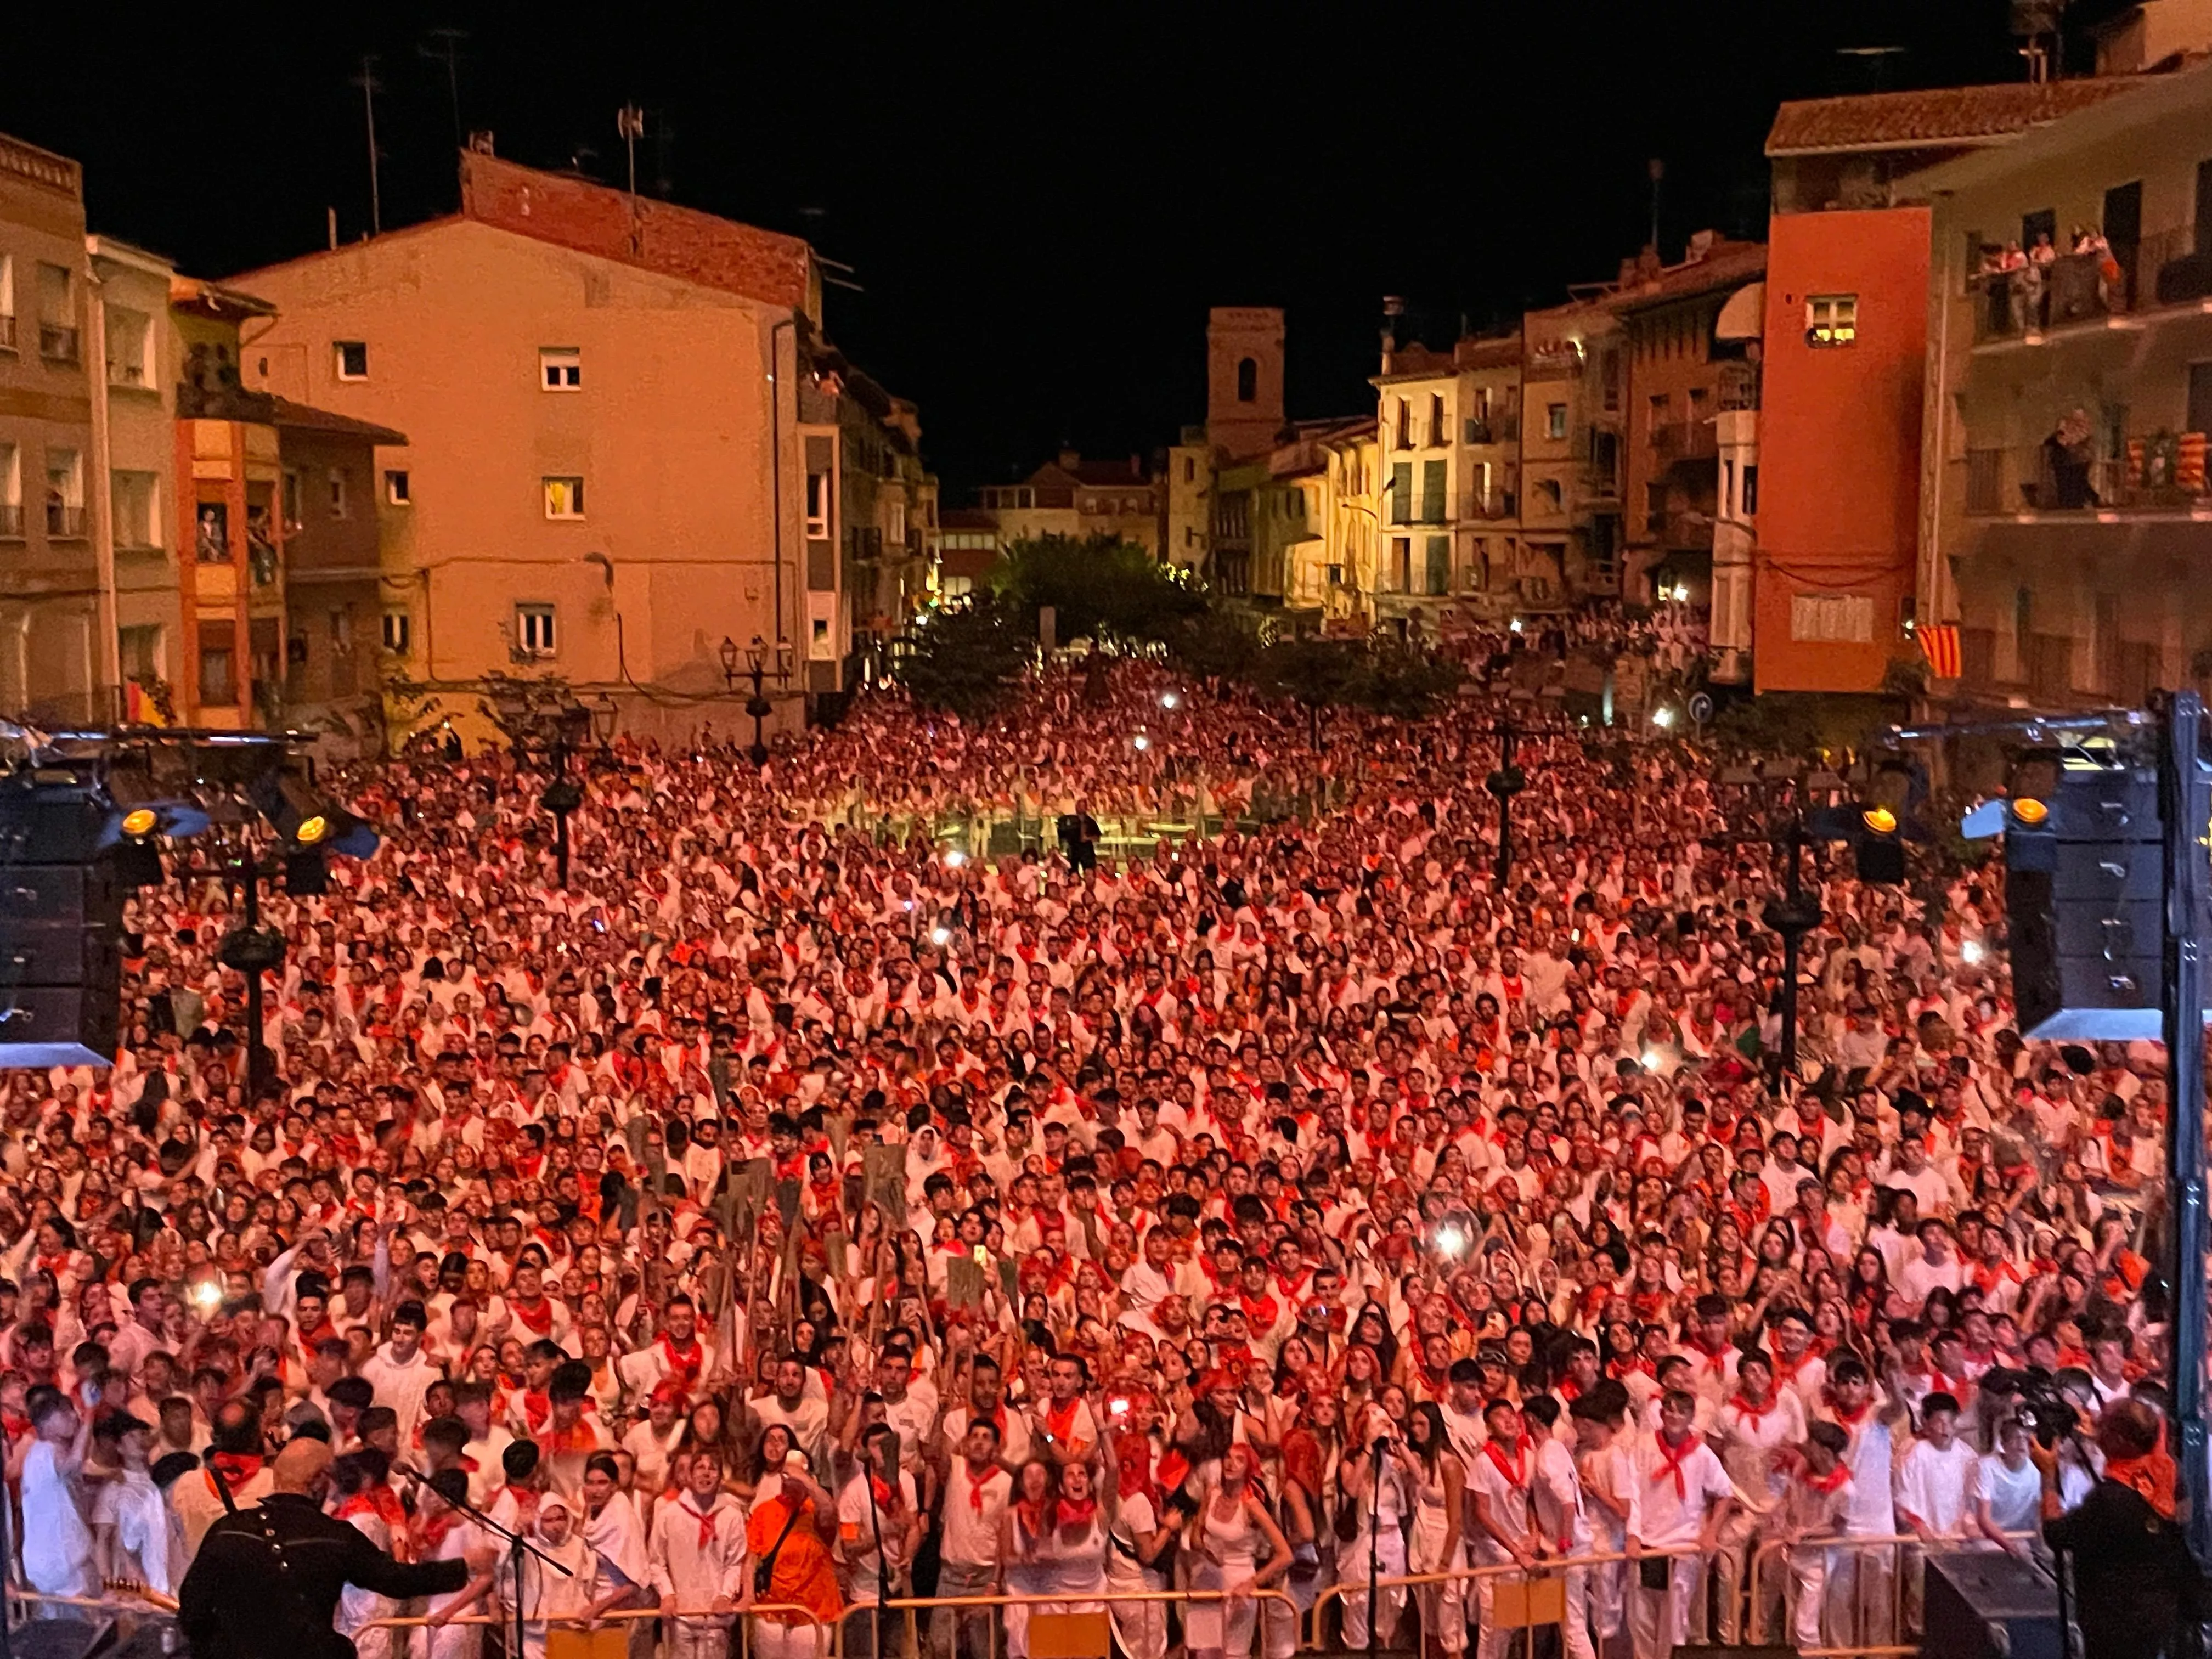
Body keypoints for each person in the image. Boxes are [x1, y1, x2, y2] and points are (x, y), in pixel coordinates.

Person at [179, 1437, 494, 1659]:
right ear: (318, 1481)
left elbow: (193, 1608)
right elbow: (397, 1580)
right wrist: (462, 1566)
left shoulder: (227, 1530)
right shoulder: (333, 1536)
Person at [2036, 1399, 2207, 1659]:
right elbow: (2180, 1522)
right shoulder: (2169, 1474)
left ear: (2120, 1440)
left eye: (2104, 1427)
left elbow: (2057, 1535)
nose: (2097, 1429)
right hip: (2159, 1610)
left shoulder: (2111, 1499)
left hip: (2115, 1619)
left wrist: (2048, 1475)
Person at [1623, 1389, 1734, 1659]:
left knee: (1675, 1623)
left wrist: (1710, 1532)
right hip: (1648, 1543)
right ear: (1661, 1414)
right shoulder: (1643, 1445)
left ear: (1691, 1417)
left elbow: (1725, 1493)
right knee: (1642, 1620)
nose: (1674, 1416)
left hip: (1683, 1545)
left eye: (1681, 1411)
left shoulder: (1702, 1453)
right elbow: (1632, 1493)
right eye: (1669, 1410)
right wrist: (1633, 1534)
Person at [646, 1447, 751, 1659]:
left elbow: (735, 1562)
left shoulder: (731, 1515)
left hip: (716, 1618)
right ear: (689, 1475)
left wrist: (725, 1595)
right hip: (681, 1616)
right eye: (700, 1468)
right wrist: (667, 1594)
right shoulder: (670, 1514)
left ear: (721, 1477)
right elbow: (656, 1561)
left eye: (712, 1469)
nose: (706, 1474)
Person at [20, 1384, 97, 1607]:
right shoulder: (46, 1451)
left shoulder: (39, 1454)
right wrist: (91, 1411)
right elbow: (73, 1463)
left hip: (52, 1565)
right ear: (45, 1423)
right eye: (64, 1413)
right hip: (63, 1565)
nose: (74, 1416)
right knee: (82, 1635)